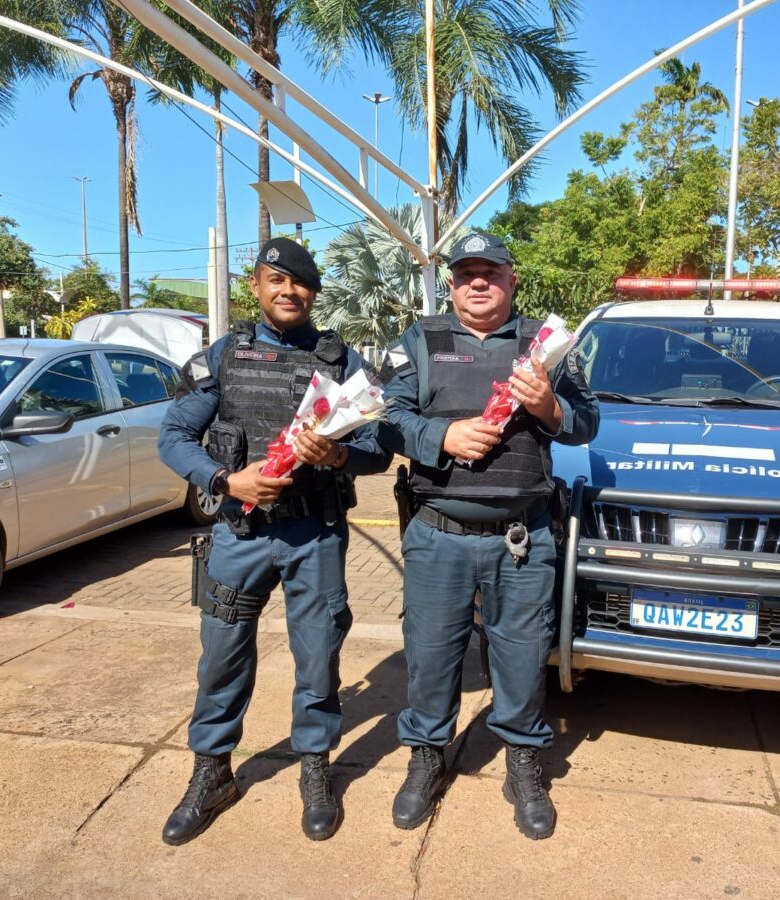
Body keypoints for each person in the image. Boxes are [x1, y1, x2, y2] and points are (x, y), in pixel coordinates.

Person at [157, 237, 391, 844]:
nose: (289, 292)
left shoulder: (342, 361)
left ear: (313, 293)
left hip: (315, 533)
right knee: (222, 657)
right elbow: (174, 436)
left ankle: (315, 767)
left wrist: (338, 451)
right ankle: (212, 771)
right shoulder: (226, 356)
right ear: (256, 287)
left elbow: (377, 448)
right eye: (275, 281)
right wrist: (223, 478)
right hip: (239, 533)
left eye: (301, 284)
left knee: (318, 655)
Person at [380, 232, 599, 840]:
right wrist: (441, 439)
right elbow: (385, 418)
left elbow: (587, 422)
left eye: (491, 273)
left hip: (521, 537)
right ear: (450, 284)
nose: (478, 283)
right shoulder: (421, 342)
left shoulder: (545, 347)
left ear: (511, 280)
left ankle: (524, 760)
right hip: (437, 533)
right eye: (466, 274)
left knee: (523, 656)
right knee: (429, 655)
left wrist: (552, 408)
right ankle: (427, 754)